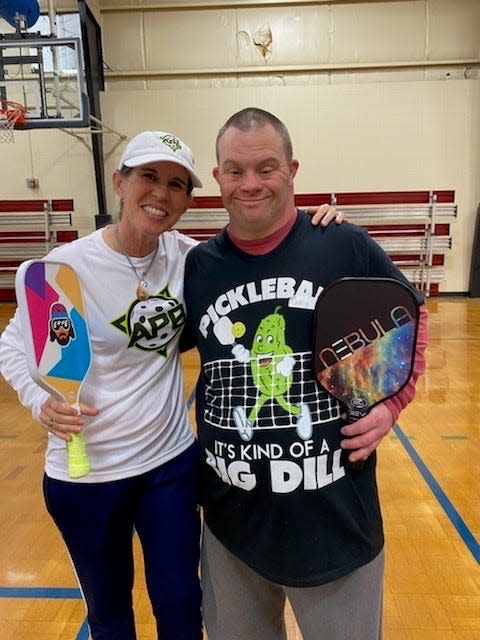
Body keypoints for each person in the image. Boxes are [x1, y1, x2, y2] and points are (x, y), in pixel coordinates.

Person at [0, 128, 342, 639]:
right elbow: (13, 344)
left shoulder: (191, 261)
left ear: (187, 200)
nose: (161, 193)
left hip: (168, 467)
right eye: (149, 177)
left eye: (177, 184)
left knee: (182, 605)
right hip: (86, 476)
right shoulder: (63, 269)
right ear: (119, 182)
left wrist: (321, 227)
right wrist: (37, 401)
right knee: (110, 612)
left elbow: (260, 253)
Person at [182, 108, 429, 640]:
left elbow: (410, 321)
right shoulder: (197, 267)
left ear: (292, 170)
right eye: (235, 170)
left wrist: (391, 405)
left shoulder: (343, 245)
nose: (250, 184)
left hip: (336, 525)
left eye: (266, 168)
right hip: (232, 528)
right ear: (218, 175)